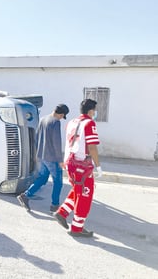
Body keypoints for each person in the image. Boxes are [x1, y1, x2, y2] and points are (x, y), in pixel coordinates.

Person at [54, 99, 102, 238]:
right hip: (82, 165)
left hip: (70, 163)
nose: (95, 113)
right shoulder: (89, 123)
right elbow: (92, 147)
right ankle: (77, 228)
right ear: (91, 110)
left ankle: (62, 212)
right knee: (85, 195)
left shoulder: (72, 122)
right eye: (94, 110)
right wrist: (98, 166)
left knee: (78, 190)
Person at [17, 104, 69, 212]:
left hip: (42, 156)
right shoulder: (55, 122)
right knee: (58, 182)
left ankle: (25, 196)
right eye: (62, 116)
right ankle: (54, 206)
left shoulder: (43, 119)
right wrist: (60, 160)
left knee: (42, 178)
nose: (61, 118)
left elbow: (36, 138)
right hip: (52, 158)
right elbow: (56, 142)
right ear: (61, 114)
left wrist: (37, 154)